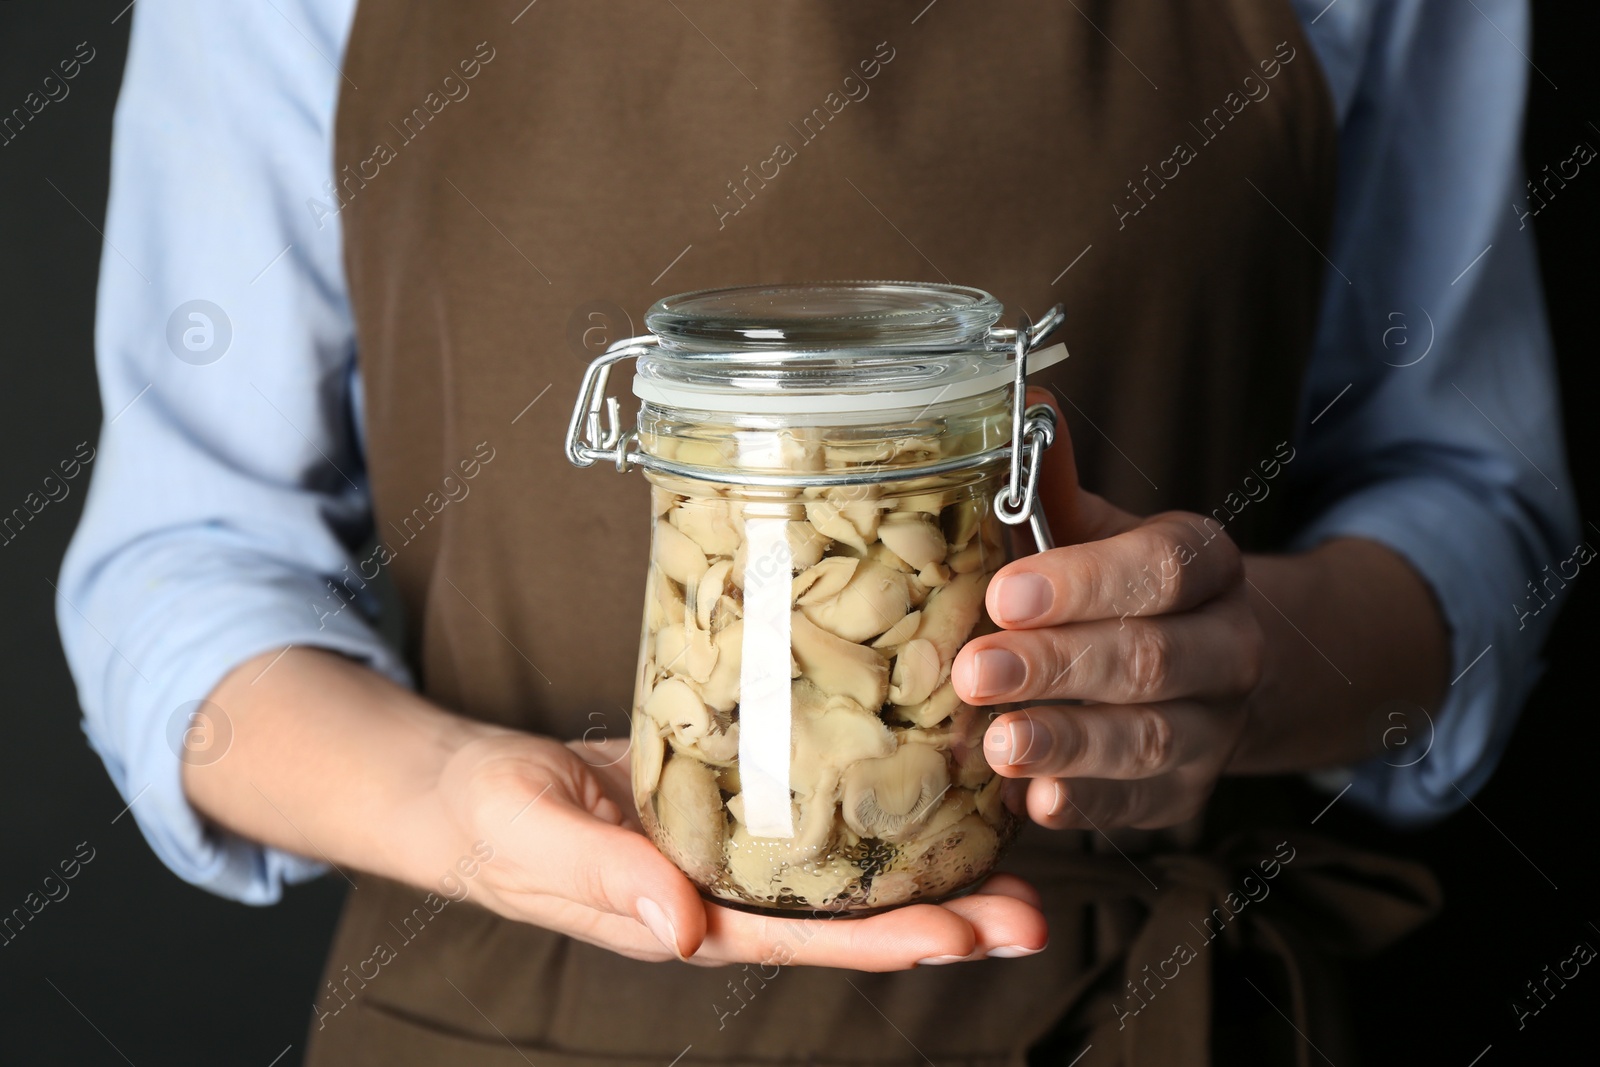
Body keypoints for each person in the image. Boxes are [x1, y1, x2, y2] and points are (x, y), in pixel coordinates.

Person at [59, 1, 1575, 1063]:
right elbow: (180, 561)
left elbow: (1477, 510)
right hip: (499, 1030)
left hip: (1138, 1014)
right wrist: (455, 797)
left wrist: (1246, 666)